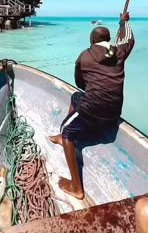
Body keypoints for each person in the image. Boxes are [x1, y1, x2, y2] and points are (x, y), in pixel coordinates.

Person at [49, 12, 135, 199]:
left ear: (91, 40)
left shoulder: (84, 56)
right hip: (113, 113)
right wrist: (124, 22)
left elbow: (80, 83)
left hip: (93, 111)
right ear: (109, 39)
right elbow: (130, 39)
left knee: (66, 131)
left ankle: (76, 187)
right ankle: (68, 133)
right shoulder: (119, 52)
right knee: (75, 97)